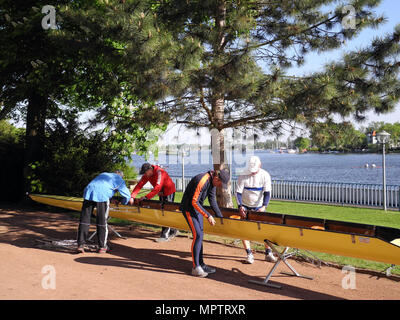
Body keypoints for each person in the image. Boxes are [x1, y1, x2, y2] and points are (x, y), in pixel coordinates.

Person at [179, 169, 229, 277]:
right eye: (220, 183)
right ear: (216, 178)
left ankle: (201, 264)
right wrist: (208, 215)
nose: (220, 186)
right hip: (188, 208)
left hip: (197, 208)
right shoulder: (203, 180)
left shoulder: (213, 182)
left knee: (200, 236)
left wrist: (220, 216)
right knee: (197, 235)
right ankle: (195, 267)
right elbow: (194, 201)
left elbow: (212, 200)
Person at [77, 170, 132, 254]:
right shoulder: (119, 179)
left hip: (88, 191)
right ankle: (102, 247)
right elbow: (127, 196)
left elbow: (101, 186)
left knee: (84, 220)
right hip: (102, 195)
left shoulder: (104, 174)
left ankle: (80, 245)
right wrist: (123, 202)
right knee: (102, 222)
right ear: (121, 176)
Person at [236, 156, 277, 264]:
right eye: (251, 170)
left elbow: (267, 193)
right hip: (245, 206)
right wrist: (240, 206)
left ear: (260, 165)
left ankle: (268, 252)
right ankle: (249, 254)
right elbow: (238, 193)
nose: (252, 173)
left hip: (259, 207)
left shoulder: (265, 175)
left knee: (264, 230)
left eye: (254, 170)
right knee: (244, 231)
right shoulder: (242, 175)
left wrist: (264, 206)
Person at [130, 163, 178, 242]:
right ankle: (173, 230)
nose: (145, 175)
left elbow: (158, 187)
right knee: (162, 210)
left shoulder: (159, 172)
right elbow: (139, 185)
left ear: (150, 170)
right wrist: (132, 196)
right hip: (161, 192)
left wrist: (146, 197)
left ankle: (165, 235)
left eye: (145, 173)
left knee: (165, 212)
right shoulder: (147, 174)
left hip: (169, 191)